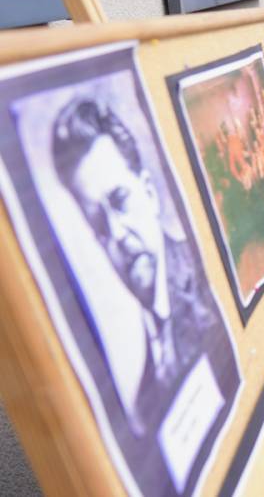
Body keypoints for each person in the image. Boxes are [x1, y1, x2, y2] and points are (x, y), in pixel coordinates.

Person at [52, 98, 224, 437]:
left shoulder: (212, 290)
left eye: (120, 201)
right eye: (98, 222)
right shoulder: (144, 402)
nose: (117, 233)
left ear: (149, 193)